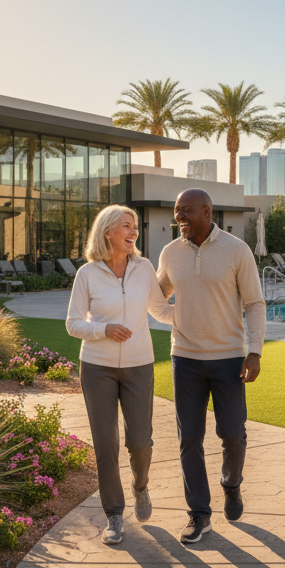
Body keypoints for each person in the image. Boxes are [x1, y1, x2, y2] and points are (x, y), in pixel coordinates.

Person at [157, 189, 266, 545]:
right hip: (184, 358)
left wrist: (256, 351)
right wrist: (175, 317)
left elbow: (254, 303)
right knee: (189, 438)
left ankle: (231, 485)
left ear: (207, 211)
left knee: (232, 434)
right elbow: (157, 296)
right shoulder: (170, 253)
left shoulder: (237, 250)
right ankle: (199, 514)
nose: (179, 217)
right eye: (176, 212)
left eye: (186, 211)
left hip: (229, 358)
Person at [65, 205, 174, 546]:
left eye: (135, 227)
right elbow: (72, 323)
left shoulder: (144, 269)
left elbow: (161, 311)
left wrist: (200, 305)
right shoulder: (87, 274)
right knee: (105, 444)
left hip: (140, 365)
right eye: (126, 226)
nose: (133, 232)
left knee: (140, 442)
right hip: (97, 367)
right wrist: (103, 329)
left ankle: (140, 486)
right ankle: (113, 514)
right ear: (108, 232)